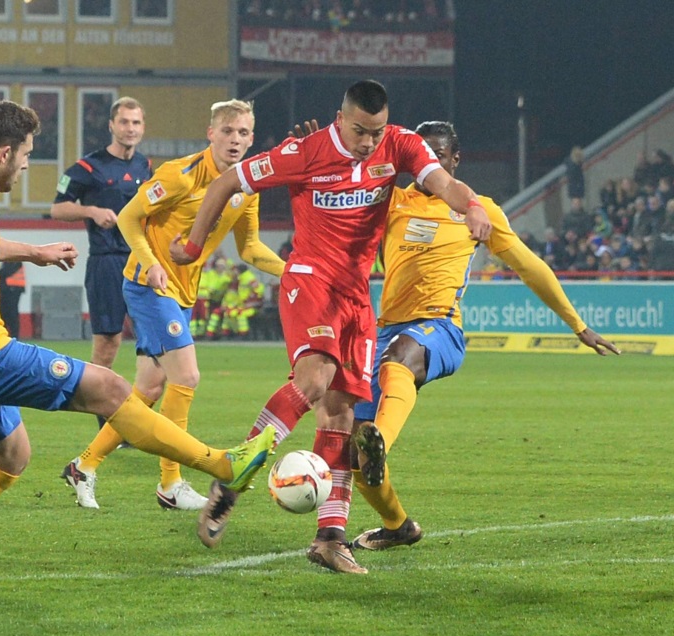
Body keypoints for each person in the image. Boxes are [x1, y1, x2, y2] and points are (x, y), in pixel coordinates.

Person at [0, 100, 275, 588]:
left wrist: (33, 252)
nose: (27, 163)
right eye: (26, 155)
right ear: (3, 153)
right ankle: (223, 464)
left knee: (10, 457)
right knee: (113, 388)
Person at [170, 79, 493, 573]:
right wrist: (192, 247)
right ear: (340, 118)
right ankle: (231, 481)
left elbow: (445, 183)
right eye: (360, 131)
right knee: (315, 378)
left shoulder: (400, 143)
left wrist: (471, 205)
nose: (368, 142)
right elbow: (224, 183)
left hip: (357, 297)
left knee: (343, 415)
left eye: (376, 132)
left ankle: (329, 537)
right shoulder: (305, 152)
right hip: (309, 280)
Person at [330, 121, 619, 569]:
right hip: (386, 328)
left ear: (454, 161)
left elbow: (530, 266)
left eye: (440, 156)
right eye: (423, 156)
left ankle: (379, 440)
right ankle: (398, 526)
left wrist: (578, 325)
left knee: (397, 365)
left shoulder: (478, 210)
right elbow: (340, 198)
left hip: (440, 329)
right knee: (353, 456)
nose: (431, 164)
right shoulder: (393, 201)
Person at [61, 99, 285, 510]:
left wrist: (291, 272)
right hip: (148, 286)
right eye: (228, 131)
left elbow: (250, 248)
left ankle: (83, 466)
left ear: (252, 138)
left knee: (147, 389)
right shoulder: (180, 176)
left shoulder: (245, 188)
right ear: (211, 133)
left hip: (181, 293)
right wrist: (151, 265)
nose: (236, 140)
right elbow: (129, 217)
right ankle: (171, 483)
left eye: (244, 134)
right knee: (188, 376)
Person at [51, 97, 150, 427]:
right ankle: (104, 425)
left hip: (142, 262)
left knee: (154, 344)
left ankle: (143, 417)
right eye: (124, 122)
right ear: (111, 125)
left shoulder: (145, 168)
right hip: (107, 263)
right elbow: (58, 208)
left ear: (142, 127)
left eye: (136, 123)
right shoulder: (89, 167)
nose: (130, 129)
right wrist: (90, 211)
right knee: (107, 343)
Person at [0, 260, 25, 338]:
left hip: (13, 290)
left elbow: (5, 272)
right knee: (4, 314)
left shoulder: (15, 261)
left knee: (12, 315)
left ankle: (14, 337)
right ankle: (5, 336)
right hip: (8, 290)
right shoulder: (11, 261)